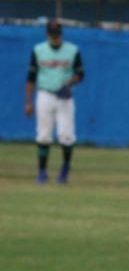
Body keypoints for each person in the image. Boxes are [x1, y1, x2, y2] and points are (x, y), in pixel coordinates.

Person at [24, 20, 83, 185]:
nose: (55, 38)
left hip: (64, 97)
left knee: (66, 135)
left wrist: (69, 84)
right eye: (52, 35)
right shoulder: (38, 50)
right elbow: (30, 78)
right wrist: (28, 101)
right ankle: (42, 172)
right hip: (45, 94)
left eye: (57, 35)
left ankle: (64, 170)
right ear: (47, 34)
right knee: (43, 135)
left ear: (61, 35)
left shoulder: (72, 50)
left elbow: (80, 73)